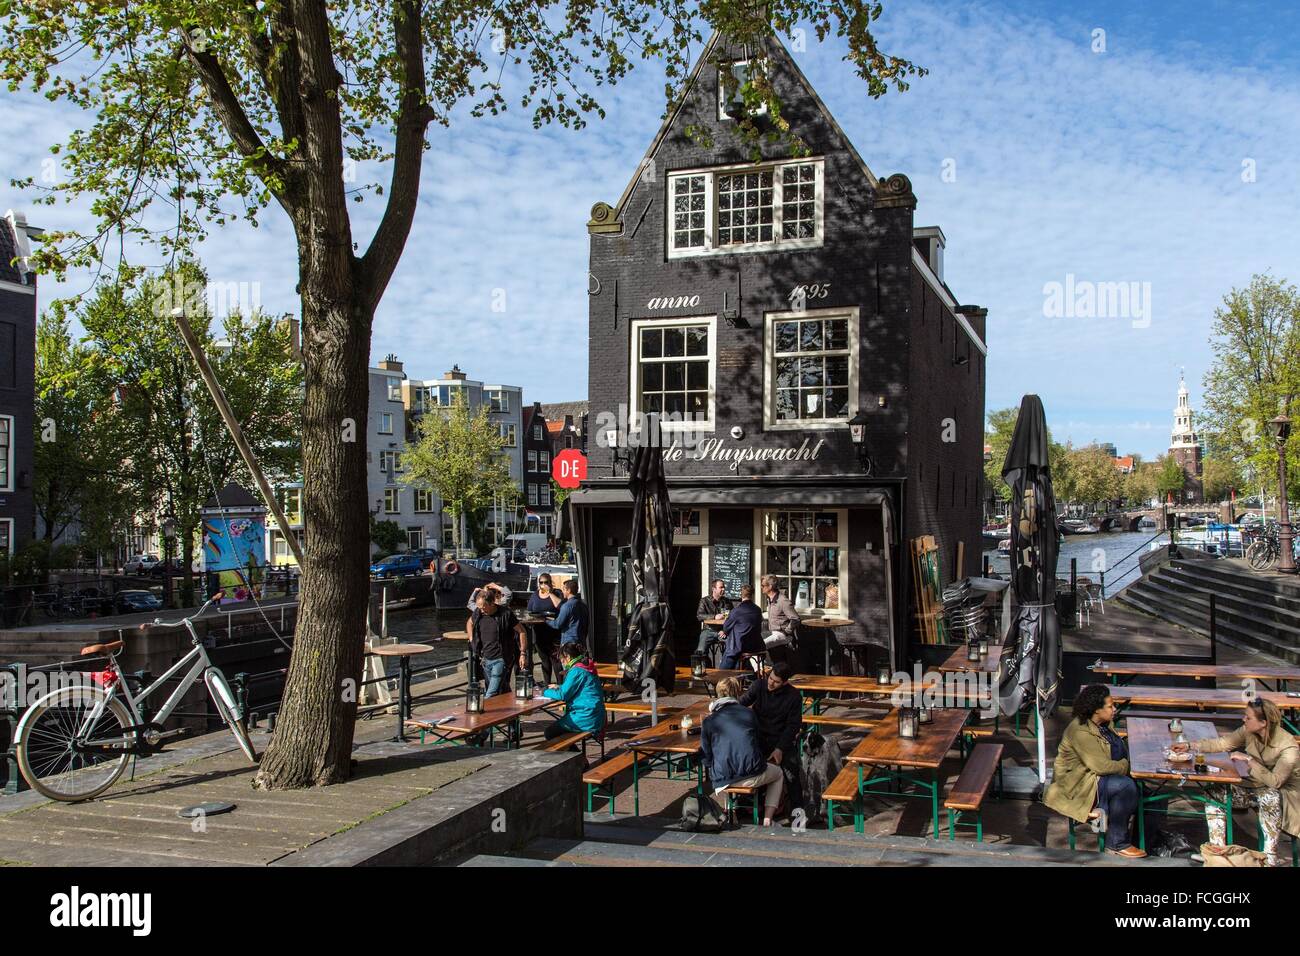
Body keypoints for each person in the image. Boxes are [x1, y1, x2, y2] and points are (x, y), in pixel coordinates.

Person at [1172, 697, 1299, 866]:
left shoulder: (1287, 745)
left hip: (1283, 794)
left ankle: (1269, 858)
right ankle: (1216, 854)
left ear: (1263, 723)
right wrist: (1190, 746)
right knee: (1214, 793)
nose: (1243, 719)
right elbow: (1223, 743)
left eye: (1248, 717)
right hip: (1253, 786)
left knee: (1270, 797)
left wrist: (1248, 760)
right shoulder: (1248, 731)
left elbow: (1275, 782)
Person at [1044, 684, 1146, 858]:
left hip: (1100, 779)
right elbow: (1101, 766)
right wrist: (1126, 766)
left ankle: (1145, 840)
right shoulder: (1080, 731)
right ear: (1096, 710)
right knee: (1126, 786)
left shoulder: (1104, 723)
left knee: (1145, 792)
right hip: (1080, 785)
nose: (1114, 709)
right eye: (1110, 706)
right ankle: (1116, 843)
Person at [700, 676, 784, 826]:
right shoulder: (748, 714)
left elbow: (707, 755)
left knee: (723, 764)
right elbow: (759, 742)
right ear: (737, 693)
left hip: (722, 779)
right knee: (778, 774)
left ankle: (731, 813)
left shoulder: (709, 721)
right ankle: (767, 819)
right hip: (750, 773)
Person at [739, 661, 804, 821]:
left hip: (781, 740)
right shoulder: (758, 686)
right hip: (759, 739)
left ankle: (798, 816)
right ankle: (745, 808)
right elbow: (741, 703)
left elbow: (793, 726)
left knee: (792, 776)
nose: (771, 683)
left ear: (785, 682)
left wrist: (780, 748)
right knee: (749, 769)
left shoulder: (794, 696)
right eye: (770, 678)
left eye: (776, 682)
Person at [541, 641, 607, 742]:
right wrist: (559, 686)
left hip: (585, 716)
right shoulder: (586, 666)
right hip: (596, 715)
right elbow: (577, 687)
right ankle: (575, 755)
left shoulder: (576, 671)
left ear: (568, 657)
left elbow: (562, 694)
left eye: (562, 660)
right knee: (559, 732)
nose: (562, 663)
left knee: (550, 733)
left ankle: (575, 756)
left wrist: (545, 691)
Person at [466, 590, 527, 697]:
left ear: (492, 603)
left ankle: (480, 710)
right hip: (485, 658)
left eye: (483, 607)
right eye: (479, 607)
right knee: (502, 688)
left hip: (501, 658)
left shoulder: (505, 614)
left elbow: (522, 631)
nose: (481, 610)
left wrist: (522, 653)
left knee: (491, 693)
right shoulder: (478, 612)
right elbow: (469, 622)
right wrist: (472, 638)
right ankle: (512, 710)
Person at [527, 573, 563, 684]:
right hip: (539, 631)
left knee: (556, 661)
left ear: (550, 582)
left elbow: (560, 606)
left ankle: (560, 685)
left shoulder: (556, 593)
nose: (543, 584)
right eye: (541, 582)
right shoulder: (535, 595)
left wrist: (549, 593)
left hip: (553, 632)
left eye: (546, 582)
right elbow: (529, 610)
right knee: (544, 660)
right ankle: (547, 685)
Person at [720, 584, 765, 670]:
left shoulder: (736, 611)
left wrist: (725, 631)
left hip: (739, 647)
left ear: (741, 595)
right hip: (756, 646)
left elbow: (726, 627)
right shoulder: (758, 610)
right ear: (752, 595)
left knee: (730, 650)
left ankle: (721, 676)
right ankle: (747, 676)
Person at [694, 579, 733, 660]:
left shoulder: (727, 602)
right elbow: (699, 616)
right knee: (700, 652)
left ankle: (727, 669)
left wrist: (725, 630)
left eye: (724, 587)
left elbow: (733, 618)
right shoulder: (704, 601)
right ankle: (706, 669)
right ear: (714, 589)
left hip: (722, 631)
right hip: (708, 630)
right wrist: (714, 616)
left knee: (733, 647)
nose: (723, 589)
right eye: (721, 587)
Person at [553, 579, 589, 648]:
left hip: (568, 643)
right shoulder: (583, 605)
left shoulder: (566, 606)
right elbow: (586, 625)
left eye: (564, 589)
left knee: (569, 659)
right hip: (581, 641)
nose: (562, 592)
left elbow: (557, 624)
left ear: (568, 590)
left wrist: (546, 620)